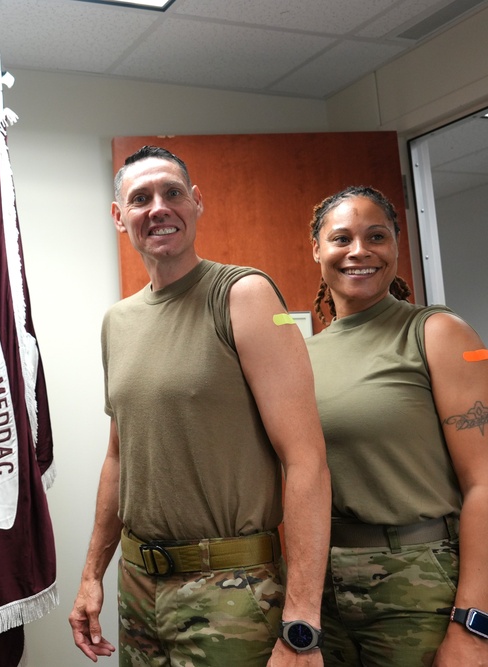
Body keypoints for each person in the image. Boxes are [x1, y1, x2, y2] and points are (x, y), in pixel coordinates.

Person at [70, 146, 331, 666]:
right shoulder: (117, 322)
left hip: (230, 589)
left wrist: (302, 622)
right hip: (140, 588)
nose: (158, 207)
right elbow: (120, 459)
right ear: (120, 218)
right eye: (140, 198)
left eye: (172, 193)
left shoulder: (244, 294)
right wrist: (91, 576)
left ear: (196, 203)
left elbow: (306, 460)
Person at [306, 185, 488, 666]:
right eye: (341, 238)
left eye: (376, 236)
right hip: (321, 585)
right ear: (317, 251)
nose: (359, 251)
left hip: (419, 582)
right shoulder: (300, 355)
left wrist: (476, 623)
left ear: (396, 246)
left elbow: (484, 482)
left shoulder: (439, 332)